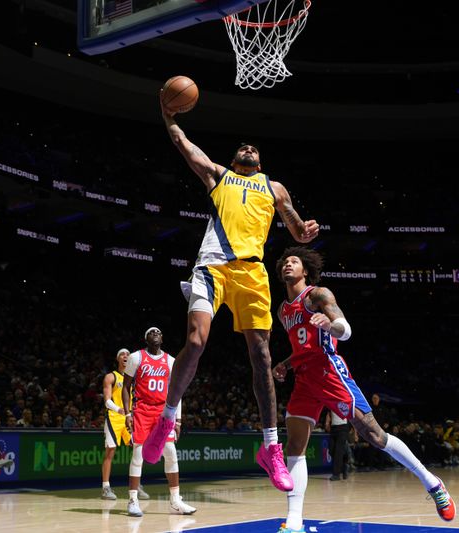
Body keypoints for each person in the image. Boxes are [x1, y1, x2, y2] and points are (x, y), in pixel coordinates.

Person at [143, 95, 320, 494]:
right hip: (212, 265)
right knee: (196, 339)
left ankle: (271, 449)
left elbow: (294, 228)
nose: (250, 148)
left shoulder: (274, 187)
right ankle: (167, 420)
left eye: (255, 147)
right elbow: (182, 144)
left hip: (253, 272)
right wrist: (167, 113)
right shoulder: (219, 175)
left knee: (261, 357)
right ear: (237, 156)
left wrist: (303, 232)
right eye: (244, 147)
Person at [271, 247, 456, 532]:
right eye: (285, 261)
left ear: (305, 270)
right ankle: (294, 522)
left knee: (374, 434)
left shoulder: (317, 295)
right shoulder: (283, 310)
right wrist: (285, 364)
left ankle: (432, 483)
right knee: (294, 446)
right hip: (304, 379)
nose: (288, 264)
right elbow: (302, 346)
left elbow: (345, 329)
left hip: (330, 372)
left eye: (294, 261)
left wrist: (332, 326)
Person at [122, 327, 196, 518]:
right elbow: (126, 386)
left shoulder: (171, 361)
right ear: (146, 338)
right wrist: (128, 413)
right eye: (151, 332)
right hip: (142, 411)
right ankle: (132, 500)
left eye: (158, 331)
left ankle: (175, 501)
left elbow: (176, 391)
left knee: (171, 453)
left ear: (162, 338)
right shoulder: (136, 357)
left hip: (163, 413)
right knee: (138, 454)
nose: (155, 332)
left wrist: (178, 420)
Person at [101, 348, 148, 501]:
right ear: (118, 359)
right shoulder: (111, 377)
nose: (126, 356)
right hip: (114, 417)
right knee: (110, 452)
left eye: (128, 354)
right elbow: (107, 400)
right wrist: (119, 409)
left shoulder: (132, 380)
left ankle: (137, 486)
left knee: (138, 450)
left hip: (127, 418)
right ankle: (105, 487)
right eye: (122, 354)